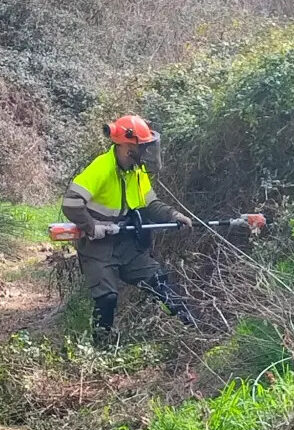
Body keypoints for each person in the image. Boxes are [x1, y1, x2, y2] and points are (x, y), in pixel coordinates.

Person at [62, 115, 195, 341]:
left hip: (127, 244)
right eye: (141, 147)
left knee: (158, 281)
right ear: (126, 147)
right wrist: (92, 227)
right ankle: (100, 347)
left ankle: (191, 330)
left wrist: (174, 215)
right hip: (97, 248)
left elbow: (150, 203)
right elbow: (71, 203)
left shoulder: (137, 172)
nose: (146, 152)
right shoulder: (101, 168)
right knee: (107, 298)